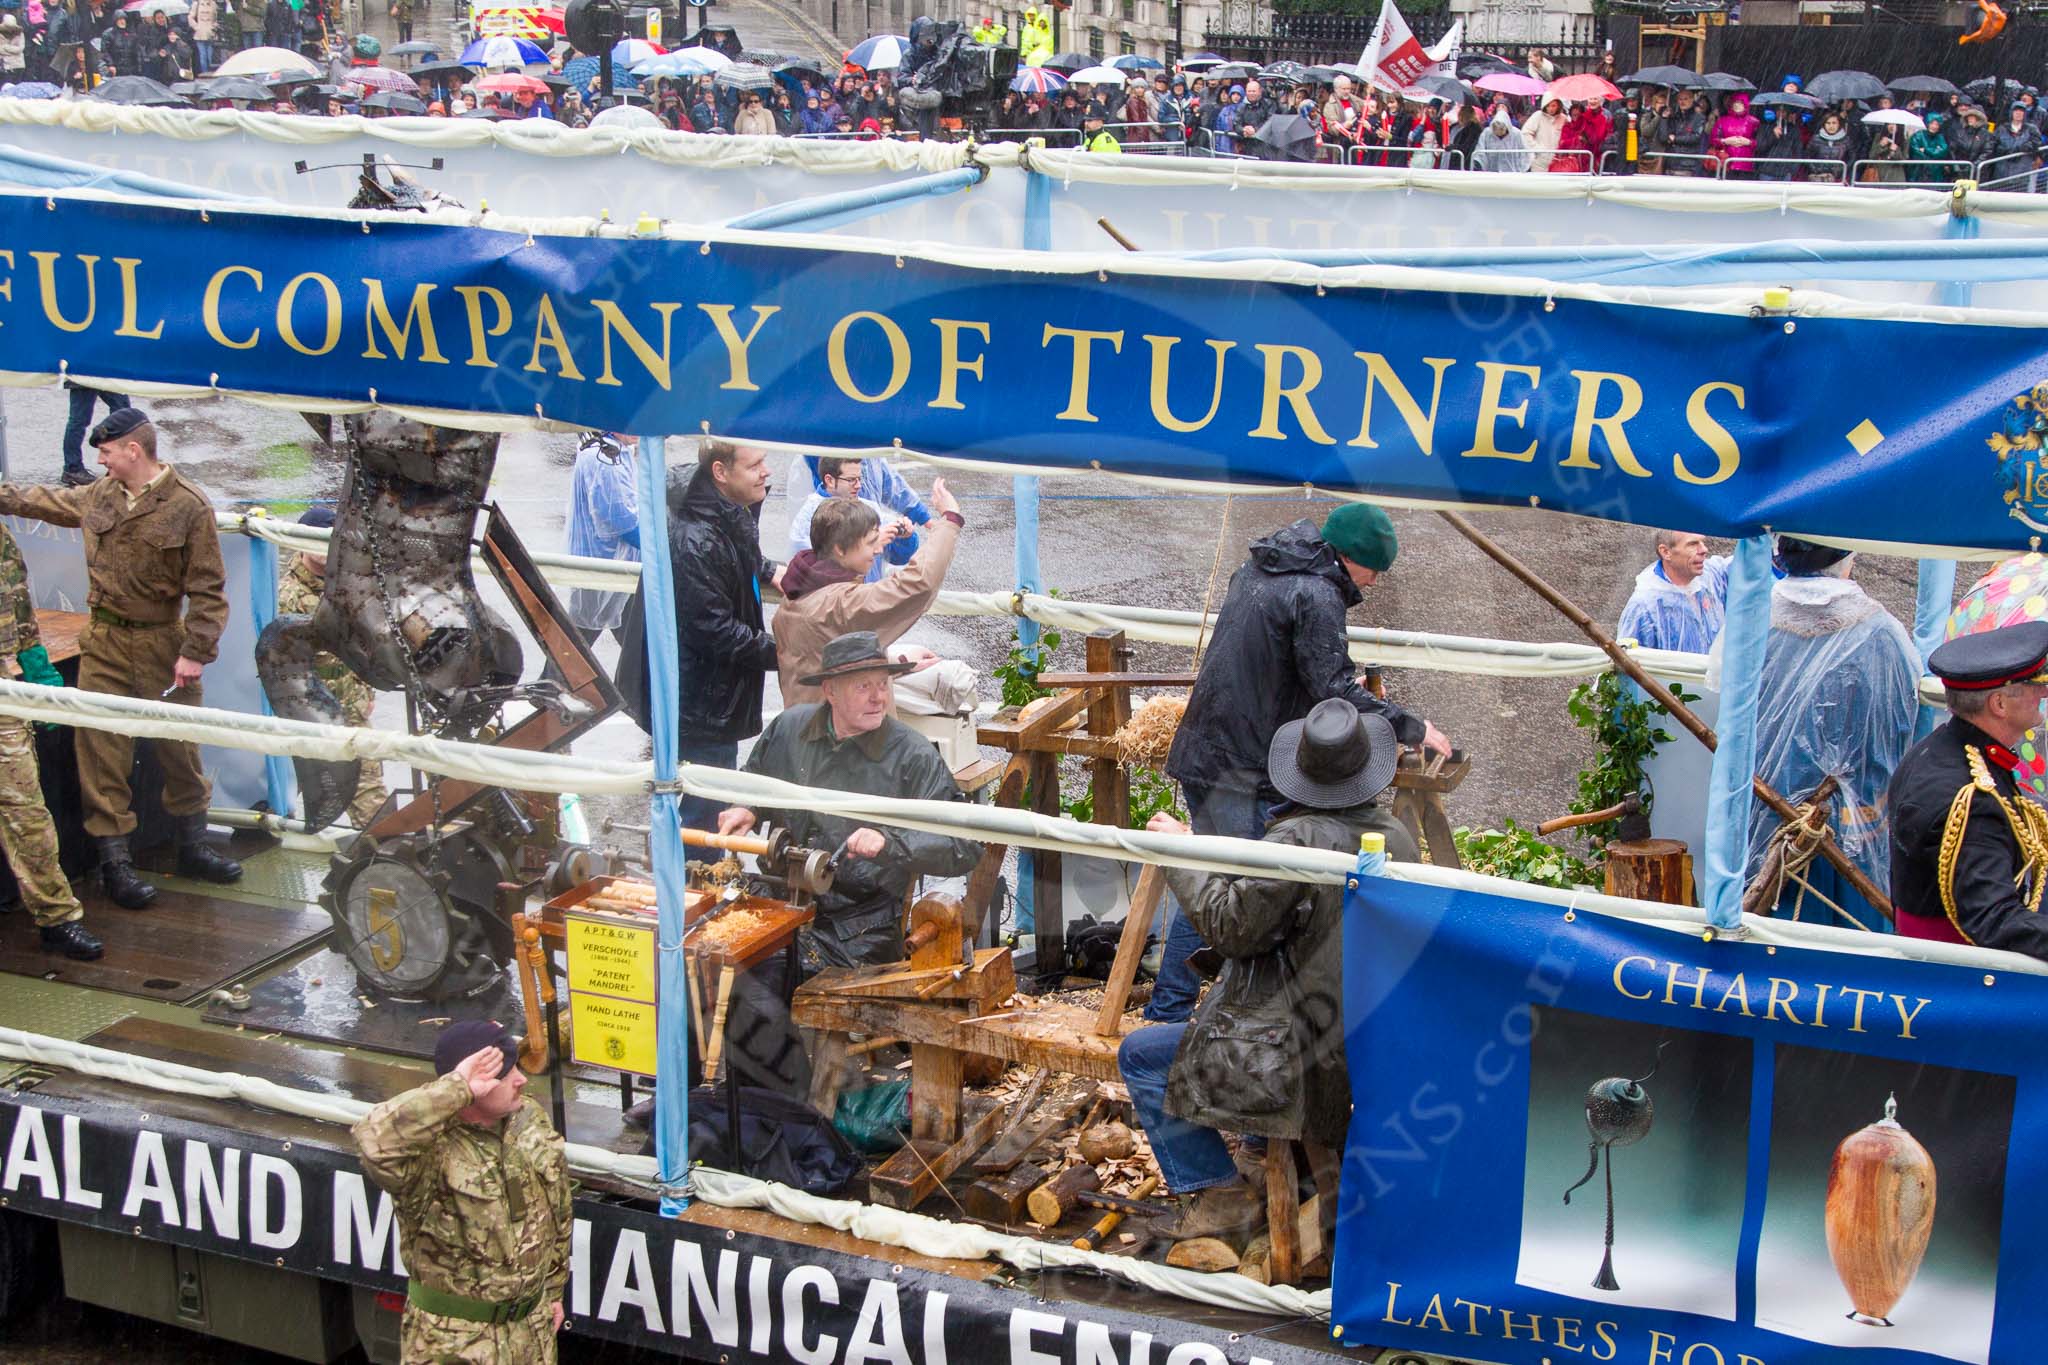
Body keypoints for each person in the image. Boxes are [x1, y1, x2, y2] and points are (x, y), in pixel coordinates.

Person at [1119, 699, 1416, 1240]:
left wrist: (1183, 853)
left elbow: (1230, 926)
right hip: (1371, 1034)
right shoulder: (1395, 837)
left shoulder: (1296, 841)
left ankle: (1220, 1193)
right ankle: (1265, 1154)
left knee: (1139, 1055)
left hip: (1299, 1051)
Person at [1155, 504, 1448, 1022]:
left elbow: (1280, 660)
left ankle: (1185, 1005)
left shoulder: (1266, 565)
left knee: (1216, 876)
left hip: (1210, 745)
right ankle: (1171, 1012)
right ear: (1349, 557)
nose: (1375, 583)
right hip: (1241, 763)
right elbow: (1331, 684)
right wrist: (1413, 726)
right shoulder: (1317, 593)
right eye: (1374, 570)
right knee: (1230, 891)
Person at [0, 408, 239, 909]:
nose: (101, 462)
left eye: (106, 453)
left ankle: (193, 846)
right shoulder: (100, 495)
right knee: (100, 753)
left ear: (134, 450)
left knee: (180, 749)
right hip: (105, 643)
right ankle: (116, 865)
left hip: (162, 644)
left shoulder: (188, 506)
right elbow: (45, 500)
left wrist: (195, 652)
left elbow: (209, 591)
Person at [718, 631, 981, 972]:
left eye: (883, 685)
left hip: (859, 926)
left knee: (765, 975)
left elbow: (964, 844)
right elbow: (755, 779)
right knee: (704, 950)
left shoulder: (912, 756)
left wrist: (890, 842)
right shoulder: (789, 728)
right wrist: (746, 806)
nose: (879, 699)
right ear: (831, 692)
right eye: (863, 687)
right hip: (780, 897)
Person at [353, 1020, 570, 1364]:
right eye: (508, 1073)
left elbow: (557, 1207)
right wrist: (456, 1087)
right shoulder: (430, 1149)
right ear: (476, 1088)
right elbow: (373, 1141)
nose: (522, 1080)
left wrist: (554, 1291)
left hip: (530, 1333)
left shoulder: (528, 1117)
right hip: (456, 1345)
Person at [1730, 536, 1917, 929]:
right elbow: (1900, 724)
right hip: (1854, 814)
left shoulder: (1750, 620)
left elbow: (1730, 711)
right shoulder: (1881, 631)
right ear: (1846, 555)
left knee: (1769, 923)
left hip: (1764, 800)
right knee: (1852, 933)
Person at [615, 438, 780, 831]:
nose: (767, 471)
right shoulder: (694, 540)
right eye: (755, 465)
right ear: (720, 473)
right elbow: (715, 629)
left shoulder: (718, 511)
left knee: (706, 802)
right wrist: (788, 653)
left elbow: (738, 547)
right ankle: (694, 881)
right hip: (700, 703)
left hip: (705, 697)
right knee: (703, 813)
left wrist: (768, 570)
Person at [1889, 622, 2048, 956]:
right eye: (2034, 685)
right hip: (1961, 977)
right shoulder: (1973, 798)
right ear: (1999, 705)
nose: (2043, 693)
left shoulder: (1941, 747)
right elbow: (1994, 918)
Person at [0, 523, 100, 960]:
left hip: (4, 691)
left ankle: (58, 919)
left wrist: (36, 663)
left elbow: (17, 600)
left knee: (27, 812)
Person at [774, 481, 961, 707]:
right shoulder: (840, 603)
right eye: (871, 543)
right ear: (840, 550)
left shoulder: (795, 597)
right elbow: (918, 583)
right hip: (844, 735)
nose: (878, 550)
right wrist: (949, 519)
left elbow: (826, 661)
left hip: (805, 729)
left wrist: (895, 661)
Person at [278, 505, 389, 829]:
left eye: (330, 542)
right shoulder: (288, 597)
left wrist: (366, 689)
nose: (324, 552)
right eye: (316, 542)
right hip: (307, 713)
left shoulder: (346, 587)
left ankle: (380, 852)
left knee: (367, 788)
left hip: (349, 707)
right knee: (287, 780)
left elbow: (364, 643)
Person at [786, 455, 925, 582]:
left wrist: (905, 537)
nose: (858, 486)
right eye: (851, 480)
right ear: (829, 480)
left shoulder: (869, 507)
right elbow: (814, 573)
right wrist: (872, 543)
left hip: (866, 602)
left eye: (860, 479)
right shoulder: (808, 517)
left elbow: (899, 556)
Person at [564, 431, 639, 651]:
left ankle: (639, 684)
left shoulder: (611, 450)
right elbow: (622, 522)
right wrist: (664, 548)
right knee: (577, 647)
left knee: (635, 644)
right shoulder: (604, 459)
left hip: (613, 563)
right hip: (602, 564)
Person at [1616, 530, 1731, 654]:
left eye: (1702, 542)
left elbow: (1744, 566)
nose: (1704, 549)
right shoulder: (1644, 607)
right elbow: (1627, 663)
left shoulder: (1710, 577)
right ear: (1666, 552)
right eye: (1693, 544)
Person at [60, 381, 127, 488]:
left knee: (123, 410)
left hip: (104, 368)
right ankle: (72, 468)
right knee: (79, 420)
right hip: (83, 373)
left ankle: (118, 463)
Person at [1472, 105, 1530, 170]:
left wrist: (1521, 169)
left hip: (1513, 173)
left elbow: (1525, 154)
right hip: (1491, 173)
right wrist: (1479, 165)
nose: (1498, 133)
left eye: (1501, 130)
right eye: (1495, 130)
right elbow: (1480, 151)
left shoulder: (1517, 134)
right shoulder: (1487, 133)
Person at [1523, 96, 1565, 172]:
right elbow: (1525, 133)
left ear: (1558, 106)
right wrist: (1537, 149)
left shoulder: (1563, 119)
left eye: (1553, 106)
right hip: (1539, 162)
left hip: (1558, 161)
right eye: (1548, 106)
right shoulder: (1537, 116)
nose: (1551, 108)